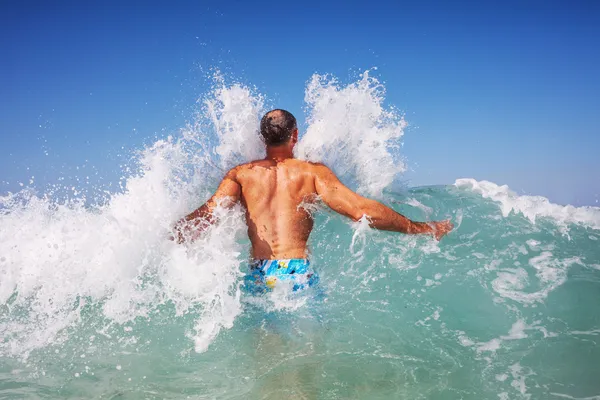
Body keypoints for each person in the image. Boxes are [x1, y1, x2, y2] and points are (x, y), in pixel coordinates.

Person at [173, 109, 453, 293]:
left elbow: (207, 216)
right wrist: (421, 227)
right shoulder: (312, 173)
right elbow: (360, 211)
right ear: (295, 136)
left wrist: (166, 236)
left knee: (264, 357)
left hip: (258, 274)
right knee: (305, 359)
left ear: (262, 138)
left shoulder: (241, 175)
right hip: (296, 271)